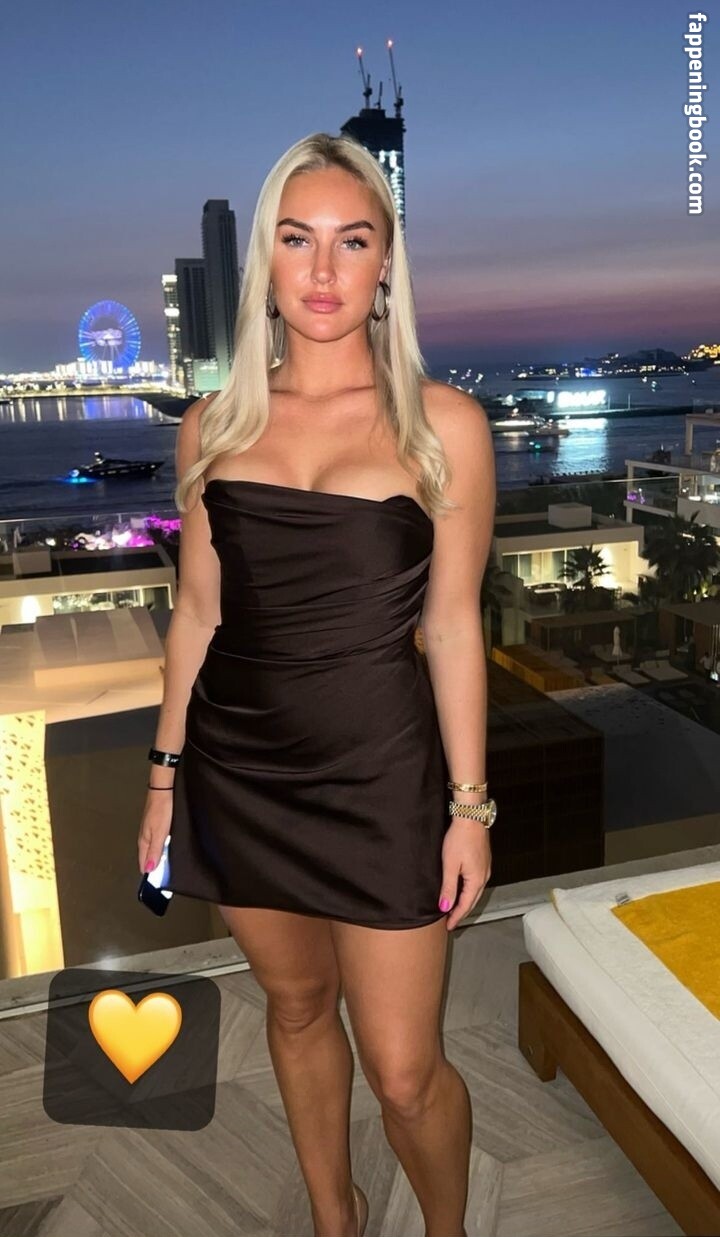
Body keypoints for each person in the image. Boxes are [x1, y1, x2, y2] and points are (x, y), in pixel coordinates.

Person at [138, 132, 496, 1237]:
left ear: (388, 261)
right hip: (239, 770)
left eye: (354, 240)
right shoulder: (213, 427)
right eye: (298, 240)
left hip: (382, 781)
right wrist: (163, 781)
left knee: (405, 1070)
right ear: (266, 262)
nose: (326, 270)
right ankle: (335, 1219)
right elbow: (199, 615)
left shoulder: (443, 424)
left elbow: (451, 625)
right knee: (295, 1006)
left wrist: (469, 806)